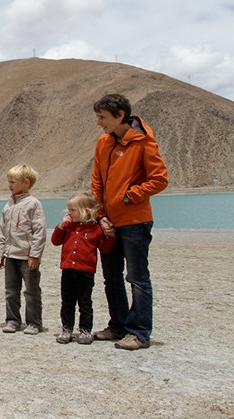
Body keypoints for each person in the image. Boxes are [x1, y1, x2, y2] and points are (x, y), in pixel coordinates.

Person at [90, 94, 168, 350]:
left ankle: (139, 333)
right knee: (111, 277)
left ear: (120, 114)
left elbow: (159, 179)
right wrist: (101, 215)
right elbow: (97, 181)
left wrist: (129, 196)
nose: (100, 122)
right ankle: (118, 326)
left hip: (135, 220)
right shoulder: (103, 142)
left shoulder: (143, 142)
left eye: (103, 117)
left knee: (136, 277)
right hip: (109, 222)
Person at [51, 192, 116, 344]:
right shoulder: (68, 227)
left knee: (85, 303)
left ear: (85, 211)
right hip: (67, 270)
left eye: (72, 210)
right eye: (69, 209)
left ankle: (85, 330)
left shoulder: (96, 229)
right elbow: (55, 241)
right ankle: (67, 329)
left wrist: (110, 237)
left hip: (85, 273)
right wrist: (60, 226)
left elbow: (105, 248)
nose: (69, 213)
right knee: (67, 302)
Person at [0, 164, 46, 335]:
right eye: (8, 181)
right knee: (11, 291)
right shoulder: (8, 205)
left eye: (13, 182)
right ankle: (12, 320)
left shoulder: (34, 204)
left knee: (31, 291)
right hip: (10, 255)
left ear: (26, 183)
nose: (9, 185)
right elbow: (2, 230)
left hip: (27, 256)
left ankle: (34, 323)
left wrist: (35, 255)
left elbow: (39, 231)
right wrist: (0, 253)